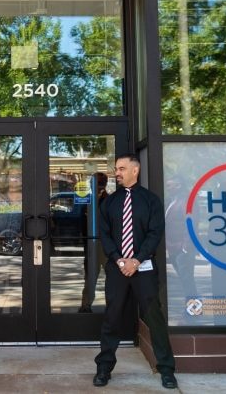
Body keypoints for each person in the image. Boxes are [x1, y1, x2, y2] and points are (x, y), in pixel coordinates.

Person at [93, 153, 177, 389]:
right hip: (117, 269)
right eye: (116, 169)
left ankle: (167, 370)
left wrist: (136, 260)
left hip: (144, 269)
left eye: (121, 168)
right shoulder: (109, 202)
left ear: (135, 170)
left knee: (154, 318)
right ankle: (103, 368)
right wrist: (120, 260)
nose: (117, 173)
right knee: (112, 318)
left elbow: (155, 233)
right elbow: (105, 235)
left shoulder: (151, 200)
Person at [79, 172, 109, 313]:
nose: (96, 186)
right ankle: (86, 305)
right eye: (94, 183)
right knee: (90, 277)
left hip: (106, 245)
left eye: (99, 183)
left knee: (111, 277)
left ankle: (112, 305)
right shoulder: (86, 199)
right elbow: (80, 219)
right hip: (91, 243)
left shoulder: (109, 200)